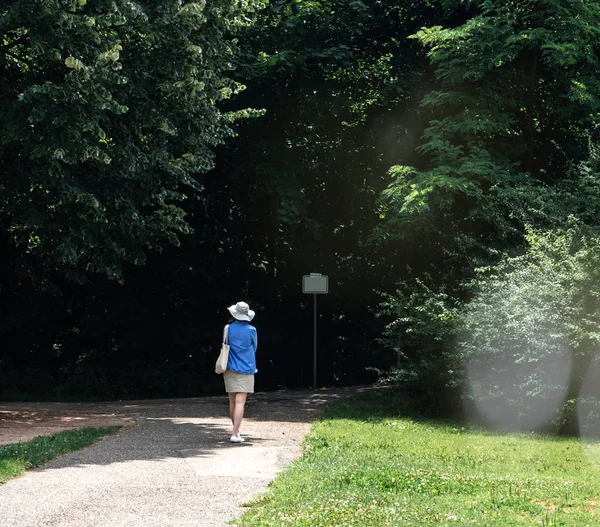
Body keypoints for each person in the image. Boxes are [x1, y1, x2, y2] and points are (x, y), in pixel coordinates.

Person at [223, 301, 257, 443]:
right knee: (240, 402)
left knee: (232, 402)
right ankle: (235, 432)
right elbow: (254, 347)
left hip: (230, 367)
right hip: (247, 367)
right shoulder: (251, 330)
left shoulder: (228, 328)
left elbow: (226, 345)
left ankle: (235, 430)